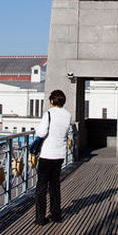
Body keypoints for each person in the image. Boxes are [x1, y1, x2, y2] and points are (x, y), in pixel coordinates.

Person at [34, 89, 72, 225]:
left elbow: (42, 132)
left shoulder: (49, 113)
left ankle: (40, 217)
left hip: (47, 154)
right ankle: (56, 214)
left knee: (41, 187)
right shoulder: (68, 115)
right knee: (55, 185)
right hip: (60, 153)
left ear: (51, 101)